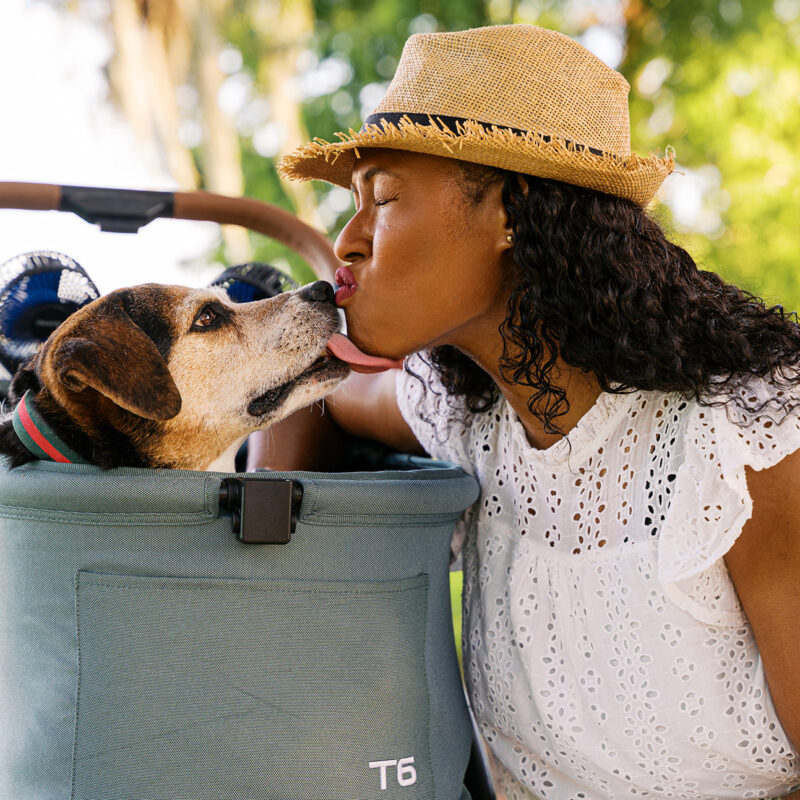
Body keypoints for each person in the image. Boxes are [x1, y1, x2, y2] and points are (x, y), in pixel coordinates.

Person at [257, 24, 800, 799]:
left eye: (383, 198)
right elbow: (312, 397)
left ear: (511, 211)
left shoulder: (748, 439)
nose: (348, 242)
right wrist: (268, 561)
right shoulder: (469, 413)